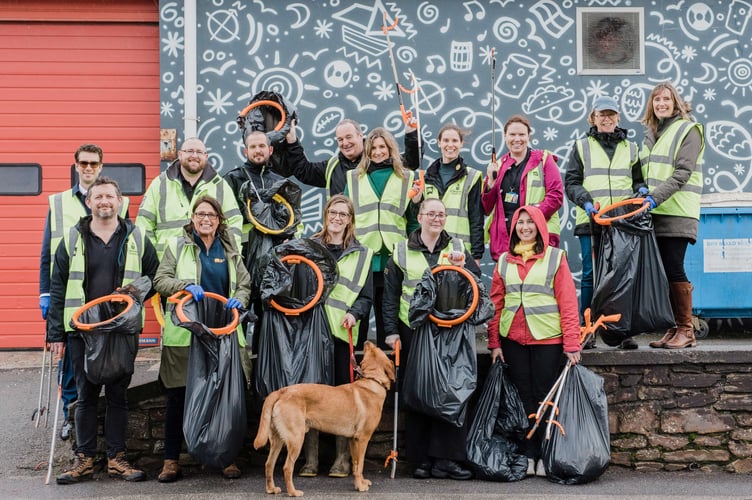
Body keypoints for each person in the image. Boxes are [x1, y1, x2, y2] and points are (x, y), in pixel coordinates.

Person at [46, 177, 158, 484]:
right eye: (99, 197)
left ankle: (116, 459)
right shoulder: (72, 238)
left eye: (110, 196)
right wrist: (55, 332)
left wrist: (134, 295)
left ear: (120, 201)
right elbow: (58, 287)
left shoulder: (136, 236)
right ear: (89, 202)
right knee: (85, 396)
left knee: (118, 396)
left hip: (121, 330)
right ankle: (84, 459)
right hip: (82, 330)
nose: (104, 201)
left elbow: (153, 276)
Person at [153, 195, 252, 482]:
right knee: (178, 395)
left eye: (211, 214)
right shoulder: (177, 245)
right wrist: (186, 286)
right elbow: (160, 281)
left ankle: (227, 458)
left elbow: (244, 284)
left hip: (223, 332)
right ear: (192, 217)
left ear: (219, 220)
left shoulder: (230, 248)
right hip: (187, 333)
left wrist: (239, 299)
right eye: (200, 214)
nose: (205, 219)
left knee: (225, 397)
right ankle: (171, 460)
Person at [382, 198, 478, 481]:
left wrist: (466, 269)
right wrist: (391, 331)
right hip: (415, 329)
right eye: (431, 214)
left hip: (451, 330)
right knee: (419, 394)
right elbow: (389, 296)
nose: (437, 219)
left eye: (441, 214)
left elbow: (476, 286)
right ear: (420, 217)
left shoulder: (458, 248)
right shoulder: (401, 251)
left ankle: (446, 460)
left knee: (452, 393)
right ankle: (421, 461)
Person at [39, 144, 131, 441]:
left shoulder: (121, 203)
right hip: (70, 297)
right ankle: (69, 413)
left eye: (94, 164)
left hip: (109, 305)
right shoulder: (58, 203)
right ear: (76, 165)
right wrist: (46, 294)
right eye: (84, 163)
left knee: (109, 367)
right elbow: (48, 255)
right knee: (72, 365)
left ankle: (101, 435)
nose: (89, 168)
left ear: (101, 166)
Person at [487, 205, 581, 478]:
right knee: (523, 399)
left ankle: (544, 453)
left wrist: (572, 343)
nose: (525, 227)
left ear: (540, 226)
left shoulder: (555, 258)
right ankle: (528, 454)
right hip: (514, 339)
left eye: (530, 222)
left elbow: (568, 303)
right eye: (520, 222)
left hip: (547, 340)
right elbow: (496, 304)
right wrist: (494, 343)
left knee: (545, 398)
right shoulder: (504, 260)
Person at [298, 194, 374, 479]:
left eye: (343, 214)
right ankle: (311, 460)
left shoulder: (362, 253)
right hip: (313, 333)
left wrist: (354, 313)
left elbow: (366, 297)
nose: (337, 218)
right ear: (326, 214)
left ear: (350, 219)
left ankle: (342, 460)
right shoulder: (309, 247)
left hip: (343, 333)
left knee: (343, 396)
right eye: (333, 212)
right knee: (315, 394)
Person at [564, 96, 645, 350]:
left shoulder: (631, 148)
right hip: (591, 221)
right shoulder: (582, 146)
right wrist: (586, 202)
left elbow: (637, 181)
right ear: (593, 118)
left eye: (611, 114)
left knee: (621, 276)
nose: (607, 119)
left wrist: (642, 190)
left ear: (618, 118)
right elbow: (572, 182)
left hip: (621, 223)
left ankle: (620, 332)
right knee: (591, 275)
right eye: (602, 115)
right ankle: (587, 332)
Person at [223, 130, 302, 352]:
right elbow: (226, 220)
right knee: (239, 312)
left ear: (270, 150)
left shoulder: (281, 182)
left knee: (269, 316)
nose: (258, 150)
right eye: (253, 147)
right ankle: (237, 367)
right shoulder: (233, 178)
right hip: (244, 258)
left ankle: (262, 366)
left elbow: (294, 222)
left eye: (262, 146)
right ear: (245, 151)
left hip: (274, 261)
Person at [640, 82, 704, 350]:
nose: (661, 104)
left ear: (676, 103)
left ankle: (687, 329)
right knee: (664, 270)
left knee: (674, 266)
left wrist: (655, 196)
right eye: (656, 100)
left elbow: (682, 172)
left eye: (666, 99)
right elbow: (644, 171)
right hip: (656, 212)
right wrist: (642, 188)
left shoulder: (687, 130)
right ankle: (673, 327)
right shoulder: (651, 134)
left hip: (678, 210)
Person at [345, 127, 422, 350]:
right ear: (367, 152)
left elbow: (413, 222)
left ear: (391, 149)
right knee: (357, 316)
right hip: (363, 260)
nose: (378, 152)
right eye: (374, 148)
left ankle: (388, 376)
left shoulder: (407, 178)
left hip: (394, 259)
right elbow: (345, 217)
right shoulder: (354, 179)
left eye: (383, 147)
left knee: (388, 321)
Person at [136, 137, 243, 260]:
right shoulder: (160, 184)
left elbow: (233, 224)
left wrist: (229, 258)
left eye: (199, 152)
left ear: (206, 157)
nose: (194, 155)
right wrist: (152, 260)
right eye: (190, 151)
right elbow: (144, 225)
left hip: (208, 264)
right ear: (180, 154)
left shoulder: (220, 185)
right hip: (168, 266)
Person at [483, 115, 564, 261]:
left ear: (529, 136)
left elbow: (556, 196)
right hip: (506, 242)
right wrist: (490, 183)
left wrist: (530, 220)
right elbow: (486, 207)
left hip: (538, 238)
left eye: (521, 134)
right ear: (505, 136)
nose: (517, 139)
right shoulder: (498, 165)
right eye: (512, 134)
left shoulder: (544, 159)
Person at [283, 118, 420, 197]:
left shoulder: (378, 159)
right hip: (343, 239)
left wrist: (411, 133)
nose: (345, 143)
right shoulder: (332, 166)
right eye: (340, 139)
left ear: (360, 136)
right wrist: (292, 141)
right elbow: (303, 171)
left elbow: (411, 162)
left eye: (349, 137)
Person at [421, 123, 485, 265]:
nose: (450, 145)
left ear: (461, 143)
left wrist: (476, 255)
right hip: (431, 251)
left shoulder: (472, 176)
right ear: (439, 143)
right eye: (446, 140)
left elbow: (476, 219)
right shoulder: (425, 178)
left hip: (460, 252)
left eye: (455, 140)